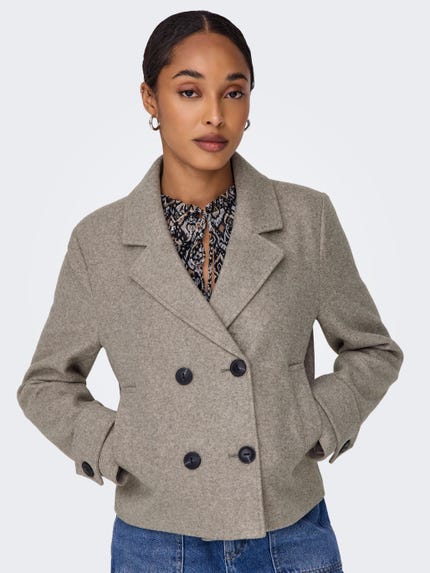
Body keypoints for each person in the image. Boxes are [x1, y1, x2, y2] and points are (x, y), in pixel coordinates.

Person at [17, 10, 404, 573]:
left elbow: (373, 349)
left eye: (234, 92)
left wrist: (314, 419)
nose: (215, 115)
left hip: (288, 529)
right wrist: (112, 445)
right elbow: (47, 382)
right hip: (156, 538)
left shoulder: (306, 219)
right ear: (150, 100)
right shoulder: (98, 241)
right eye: (189, 91)